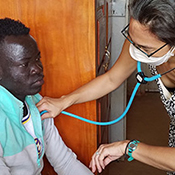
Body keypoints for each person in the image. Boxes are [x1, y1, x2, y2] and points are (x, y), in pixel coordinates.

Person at [37, 0, 175, 174]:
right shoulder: (140, 39)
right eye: (132, 40)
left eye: (145, 48)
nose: (135, 50)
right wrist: (63, 101)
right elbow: (111, 79)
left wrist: (129, 147)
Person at [0, 17, 94, 175]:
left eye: (37, 59)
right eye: (25, 64)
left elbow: (64, 162)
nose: (37, 68)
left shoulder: (36, 102)